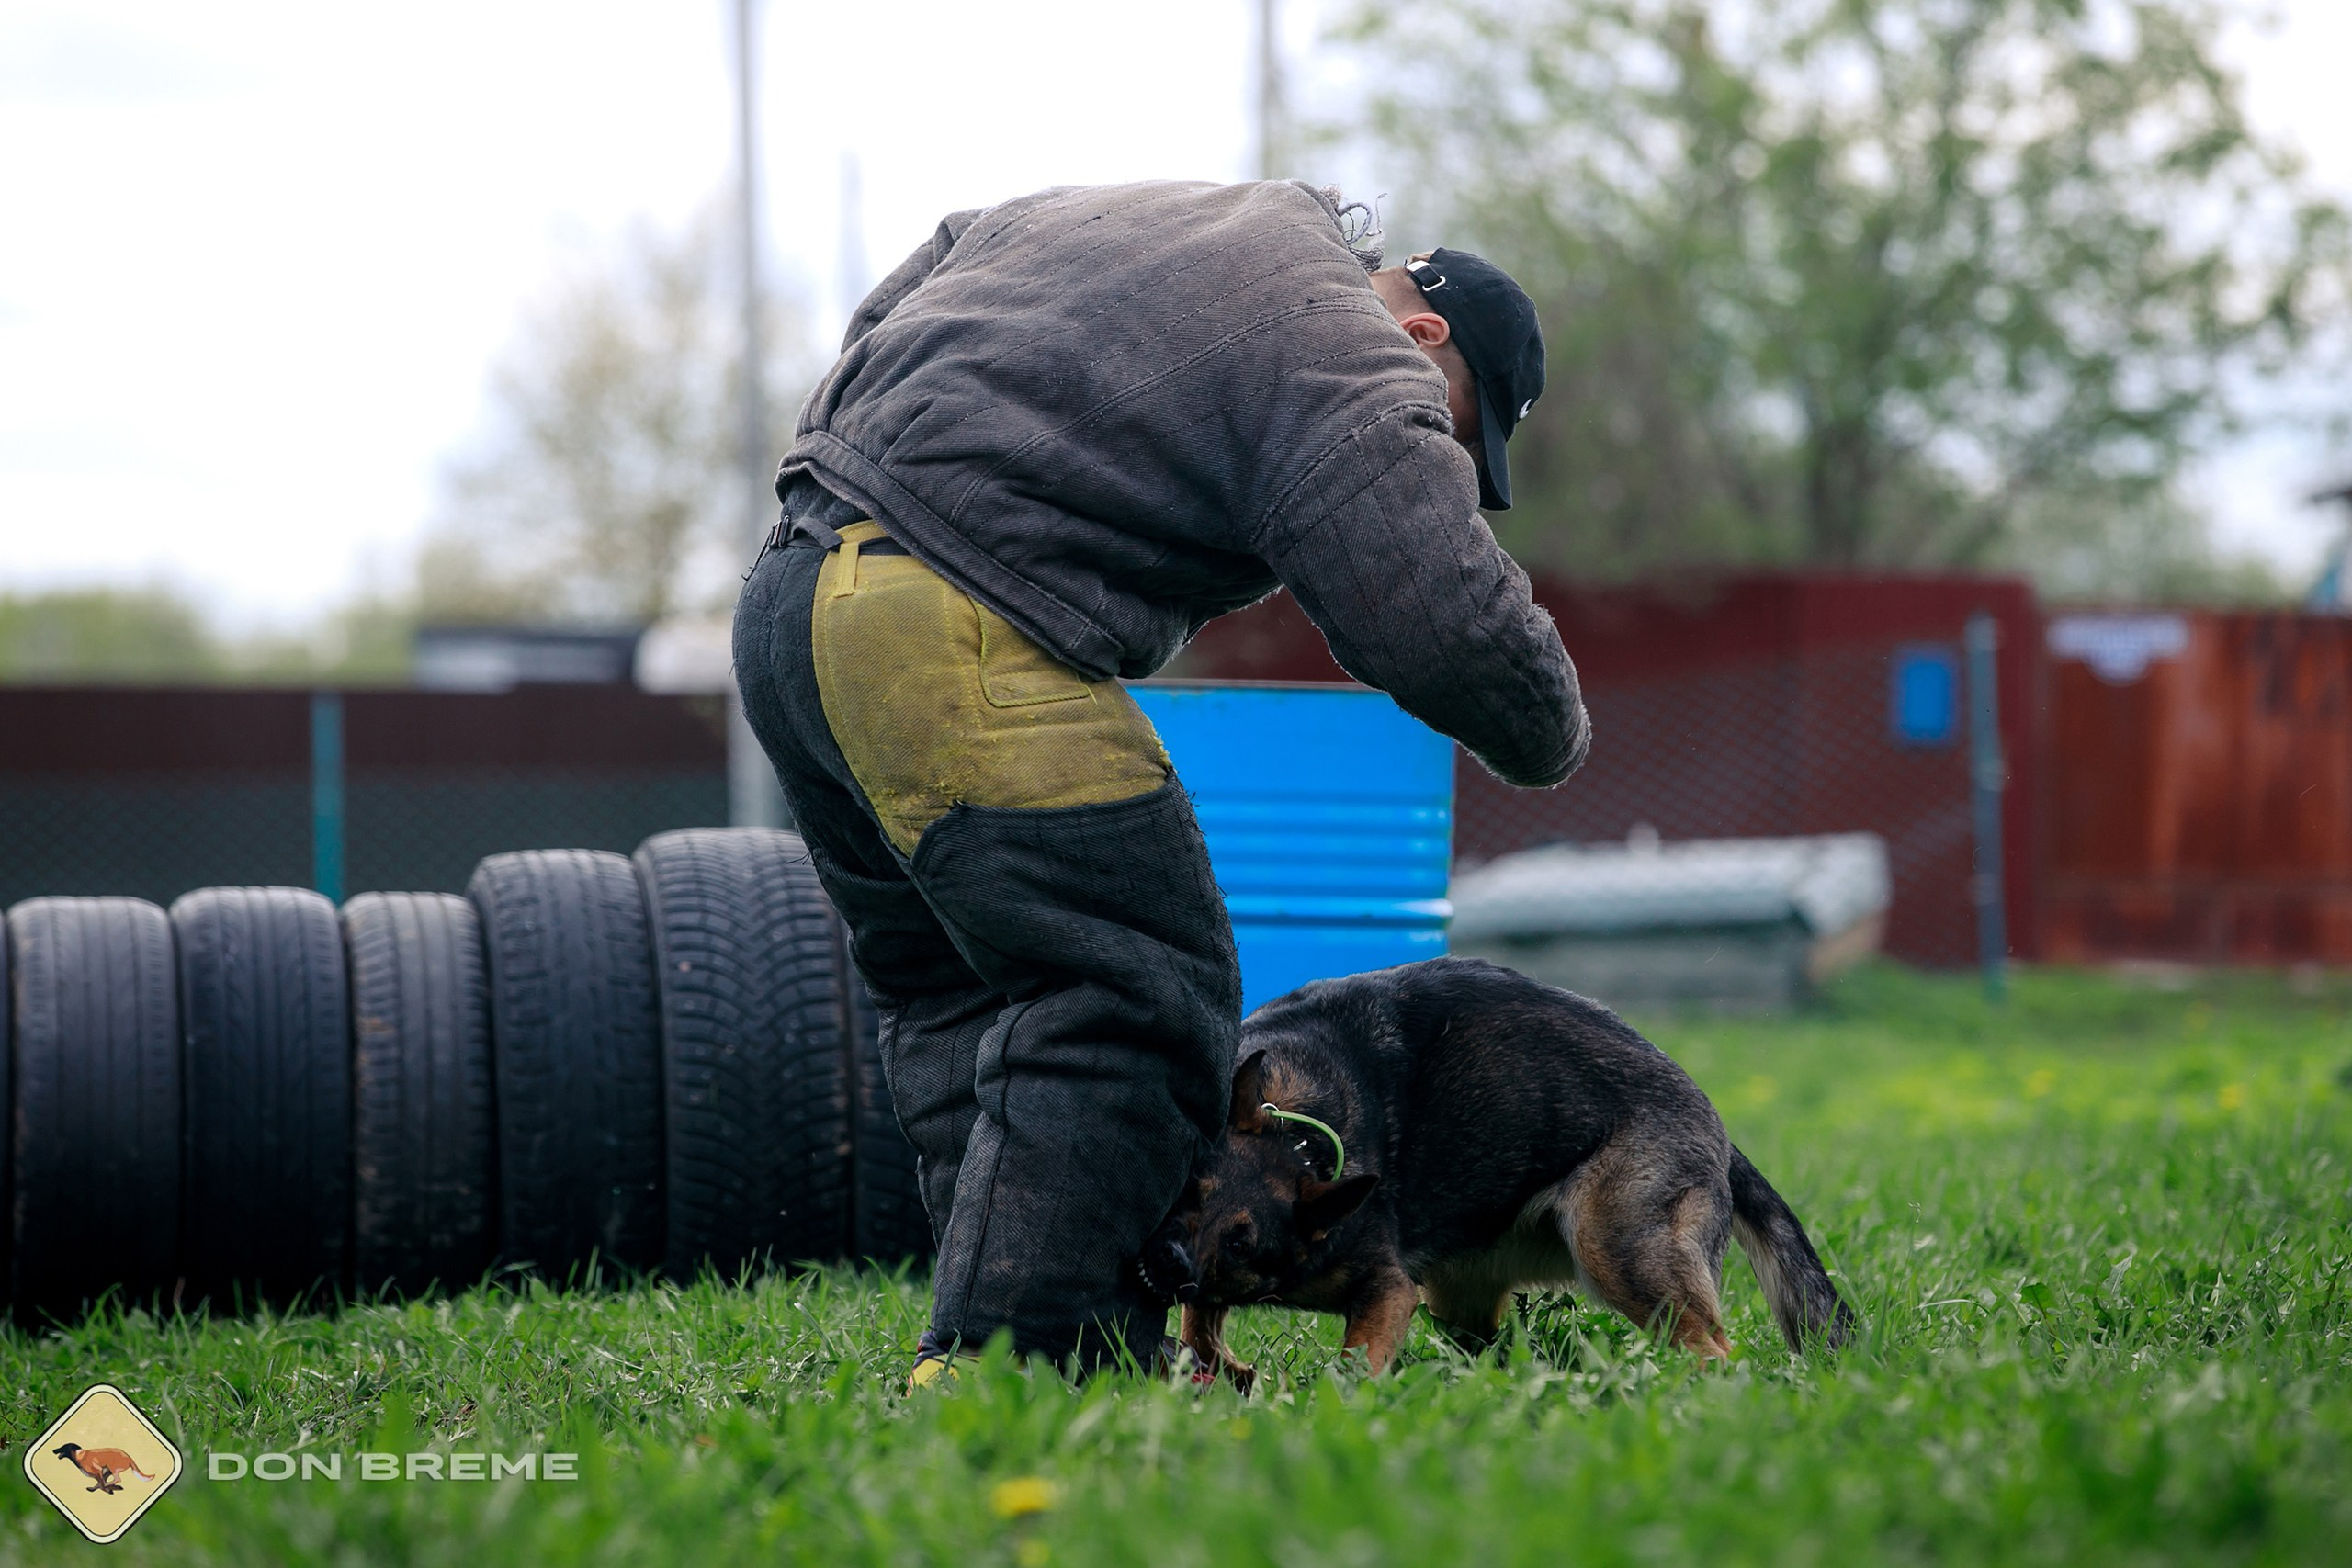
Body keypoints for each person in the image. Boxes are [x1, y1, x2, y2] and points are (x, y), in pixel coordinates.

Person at [731, 179, 1589, 1382]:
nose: (1439, 452)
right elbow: (1437, 615)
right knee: (1141, 983)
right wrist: (1553, 729)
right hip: (949, 623)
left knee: (963, 1006)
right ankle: (1035, 1367)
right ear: (1426, 338)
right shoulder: (1349, 344)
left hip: (793, 600)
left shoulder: (1152, 222)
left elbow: (920, 279)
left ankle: (975, 1360)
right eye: (1456, 431)